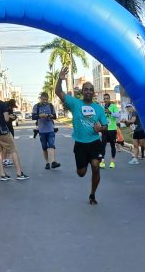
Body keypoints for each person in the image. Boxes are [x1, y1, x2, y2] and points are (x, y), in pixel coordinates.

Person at [56, 66, 107, 204]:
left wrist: (100, 128)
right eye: (86, 89)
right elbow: (58, 92)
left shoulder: (98, 108)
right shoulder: (75, 103)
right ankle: (84, 164)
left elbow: (105, 126)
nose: (88, 91)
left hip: (95, 142)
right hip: (80, 144)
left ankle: (92, 194)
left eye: (91, 89)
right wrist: (60, 79)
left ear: (93, 92)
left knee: (95, 166)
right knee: (81, 173)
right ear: (82, 92)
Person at [0, 85, 29, 181]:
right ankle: (19, 173)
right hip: (3, 131)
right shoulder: (2, 104)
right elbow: (6, 119)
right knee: (13, 150)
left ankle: (3, 174)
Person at [32, 92, 60, 169]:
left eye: (46, 100)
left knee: (51, 145)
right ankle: (47, 163)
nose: (45, 101)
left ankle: (53, 162)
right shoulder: (36, 106)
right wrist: (40, 115)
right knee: (44, 147)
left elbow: (55, 116)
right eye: (43, 99)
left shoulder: (50, 106)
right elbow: (33, 117)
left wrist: (50, 116)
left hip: (50, 129)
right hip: (41, 130)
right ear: (40, 98)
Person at [100, 93, 120, 169]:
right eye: (104, 98)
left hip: (112, 129)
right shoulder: (102, 107)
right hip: (104, 129)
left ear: (109, 99)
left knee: (112, 145)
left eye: (107, 98)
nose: (106, 100)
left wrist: (110, 112)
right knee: (103, 145)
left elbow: (118, 115)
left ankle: (112, 161)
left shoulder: (114, 106)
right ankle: (102, 161)